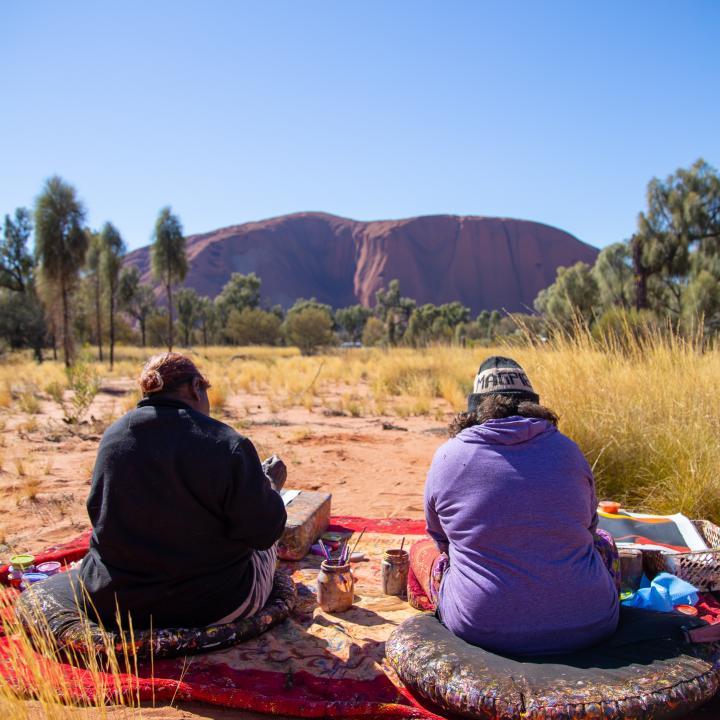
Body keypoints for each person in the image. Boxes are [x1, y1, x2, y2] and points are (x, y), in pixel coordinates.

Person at [409, 356, 619, 655]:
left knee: (422, 552)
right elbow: (589, 529)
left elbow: (441, 540)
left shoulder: (448, 457)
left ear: (476, 409)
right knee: (606, 544)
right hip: (591, 622)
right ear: (532, 405)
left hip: (483, 627)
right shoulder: (569, 451)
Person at [78, 352, 287, 629]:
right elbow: (263, 532)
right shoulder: (227, 443)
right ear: (195, 387)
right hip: (211, 606)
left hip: (114, 604)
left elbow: (97, 514)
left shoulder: (113, 437)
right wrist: (268, 487)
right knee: (269, 536)